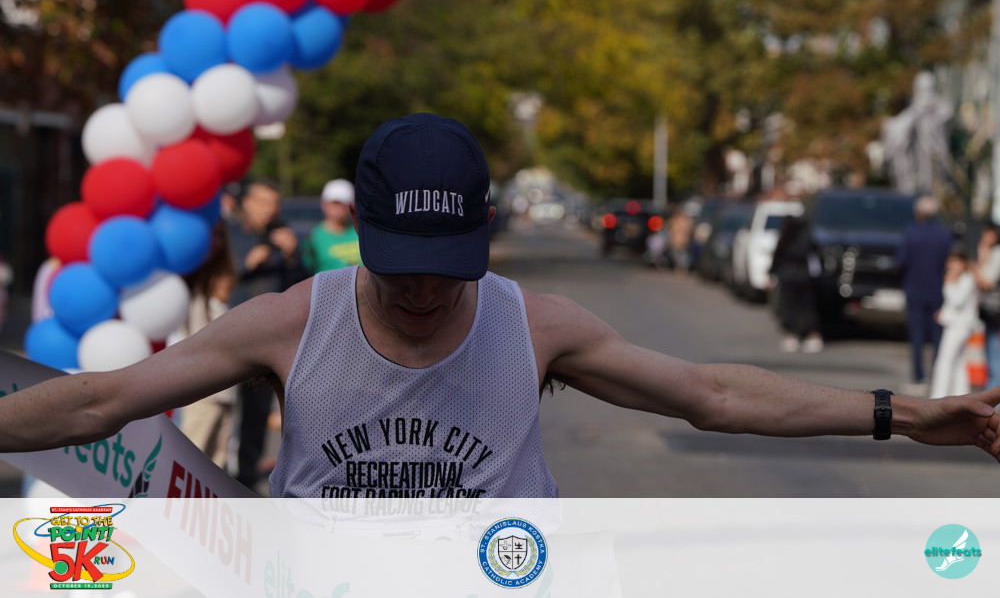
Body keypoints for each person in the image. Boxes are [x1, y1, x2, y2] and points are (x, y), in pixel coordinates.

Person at [0, 113, 998, 498]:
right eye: (402, 267)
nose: (425, 290)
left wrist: (912, 415)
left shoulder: (536, 325)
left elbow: (713, 394)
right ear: (364, 235)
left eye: (448, 266)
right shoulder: (293, 319)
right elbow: (99, 401)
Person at [226, 178, 307, 490]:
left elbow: (302, 285)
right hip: (229, 332)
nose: (269, 210)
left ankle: (245, 481)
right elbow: (217, 278)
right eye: (263, 202)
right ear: (246, 203)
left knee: (257, 412)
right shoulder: (231, 232)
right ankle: (212, 473)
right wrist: (246, 263)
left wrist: (292, 255)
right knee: (220, 409)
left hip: (268, 338)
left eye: (274, 203)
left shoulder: (282, 234)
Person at [169, 221, 238, 469]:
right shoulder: (189, 281)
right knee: (190, 464)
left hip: (224, 390)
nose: (215, 242)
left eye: (219, 235)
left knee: (216, 467)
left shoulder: (214, 286)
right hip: (198, 389)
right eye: (210, 235)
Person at [896, 195, 953, 394]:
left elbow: (900, 261)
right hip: (937, 290)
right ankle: (938, 375)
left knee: (917, 336)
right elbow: (949, 263)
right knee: (938, 336)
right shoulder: (944, 235)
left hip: (914, 289)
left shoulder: (910, 234)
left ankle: (918, 376)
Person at [768, 215, 823, 353]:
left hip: (788, 277)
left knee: (789, 307)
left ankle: (792, 336)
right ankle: (812, 336)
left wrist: (771, 275)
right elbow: (816, 257)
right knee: (806, 307)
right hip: (805, 277)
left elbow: (777, 257)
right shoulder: (807, 237)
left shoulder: (785, 238)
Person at [929, 248, 978, 399]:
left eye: (956, 262)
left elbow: (957, 301)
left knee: (944, 362)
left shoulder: (966, 279)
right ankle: (962, 396)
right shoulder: (965, 278)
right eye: (950, 262)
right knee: (958, 363)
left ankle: (939, 397)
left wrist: (949, 284)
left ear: (963, 263)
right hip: (958, 326)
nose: (952, 266)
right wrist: (943, 314)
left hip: (958, 328)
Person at [303, 178, 362, 274]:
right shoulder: (313, 237)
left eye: (343, 203)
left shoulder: (362, 232)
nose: (339, 208)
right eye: (335, 203)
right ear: (324, 204)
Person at [973, 223, 1000, 390]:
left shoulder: (997, 253)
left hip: (995, 311)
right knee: (991, 351)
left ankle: (994, 394)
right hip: (991, 311)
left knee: (994, 352)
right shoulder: (992, 252)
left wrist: (975, 266)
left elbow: (986, 282)